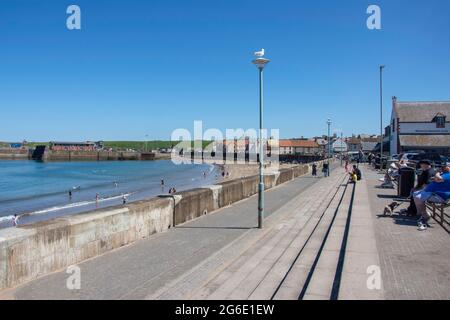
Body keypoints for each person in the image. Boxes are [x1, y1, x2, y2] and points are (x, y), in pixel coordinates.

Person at [413, 165, 450, 231]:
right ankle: (422, 214)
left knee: (418, 197)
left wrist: (437, 173)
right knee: (415, 193)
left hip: (439, 196)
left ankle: (425, 216)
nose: (443, 167)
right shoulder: (445, 174)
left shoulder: (448, 174)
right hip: (433, 193)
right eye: (443, 166)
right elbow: (436, 179)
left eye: (446, 166)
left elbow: (439, 179)